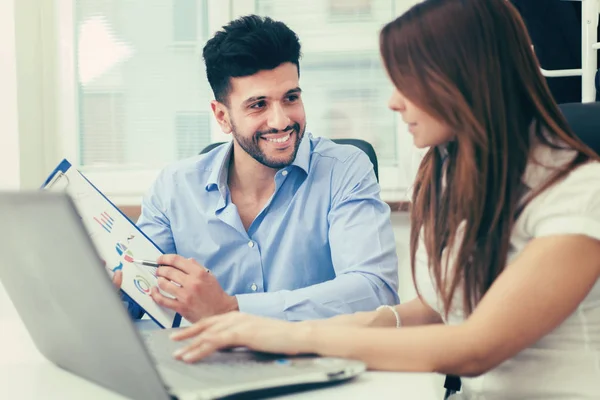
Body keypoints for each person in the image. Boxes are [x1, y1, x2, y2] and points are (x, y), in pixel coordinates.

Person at [167, 1, 600, 398]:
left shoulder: (581, 194)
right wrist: (265, 330)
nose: (393, 103)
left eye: (407, 84)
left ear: (466, 81)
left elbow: (475, 348)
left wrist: (283, 334)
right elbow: (436, 309)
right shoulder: (454, 177)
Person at [114, 15, 399, 323]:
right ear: (222, 116)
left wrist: (232, 309)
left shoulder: (345, 170)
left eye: (291, 98)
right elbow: (137, 295)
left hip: (314, 362)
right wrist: (107, 287)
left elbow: (375, 290)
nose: (281, 121)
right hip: (208, 363)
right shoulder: (173, 188)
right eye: (258, 105)